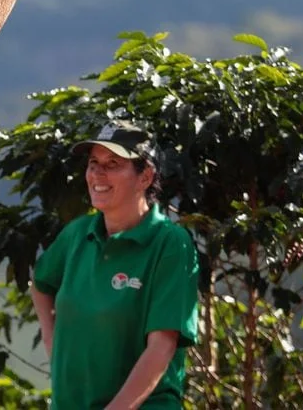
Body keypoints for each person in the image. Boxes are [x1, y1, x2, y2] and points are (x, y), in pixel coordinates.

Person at [31, 120, 200, 409]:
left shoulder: (170, 243)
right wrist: (52, 340)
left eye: (113, 163)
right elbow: (41, 284)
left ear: (145, 176)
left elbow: (162, 347)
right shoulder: (77, 234)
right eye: (93, 162)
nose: (97, 172)